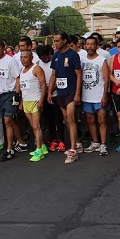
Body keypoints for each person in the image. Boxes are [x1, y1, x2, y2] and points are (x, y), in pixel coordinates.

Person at [48, 31, 83, 164]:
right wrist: (50, 92)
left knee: (70, 118)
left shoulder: (73, 55)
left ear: (64, 41)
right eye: (54, 41)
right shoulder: (56, 56)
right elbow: (53, 75)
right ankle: (77, 143)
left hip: (71, 92)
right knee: (66, 120)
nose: (55, 43)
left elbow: (79, 74)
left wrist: (77, 93)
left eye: (57, 41)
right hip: (61, 93)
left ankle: (72, 150)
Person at [0, 38, 21, 162]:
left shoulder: (10, 61)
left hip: (10, 93)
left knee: (7, 121)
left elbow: (18, 78)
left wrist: (17, 94)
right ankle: (21, 142)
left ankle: (9, 149)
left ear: (3, 48)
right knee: (9, 122)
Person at [81, 36, 110, 156]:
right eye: (87, 44)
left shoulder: (101, 60)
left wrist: (104, 95)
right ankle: (95, 142)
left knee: (101, 119)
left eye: (92, 44)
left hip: (99, 95)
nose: (89, 47)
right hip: (86, 96)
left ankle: (103, 144)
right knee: (90, 120)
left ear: (96, 45)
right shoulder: (82, 60)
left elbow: (106, 79)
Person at [17, 50, 48, 162]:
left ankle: (39, 150)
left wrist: (41, 100)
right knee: (33, 126)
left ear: (31, 57)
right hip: (26, 102)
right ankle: (43, 146)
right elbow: (22, 88)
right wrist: (21, 102)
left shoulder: (36, 68)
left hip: (35, 100)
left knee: (36, 126)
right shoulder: (22, 70)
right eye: (21, 57)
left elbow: (43, 84)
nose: (23, 59)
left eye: (25, 57)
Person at [36, 45, 65, 152]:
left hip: (56, 94)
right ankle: (53, 139)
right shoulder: (38, 64)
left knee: (58, 119)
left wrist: (51, 90)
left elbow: (58, 77)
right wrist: (45, 92)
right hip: (44, 94)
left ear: (49, 54)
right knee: (49, 120)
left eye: (44, 57)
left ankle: (61, 140)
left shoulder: (56, 62)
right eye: (41, 57)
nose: (43, 59)